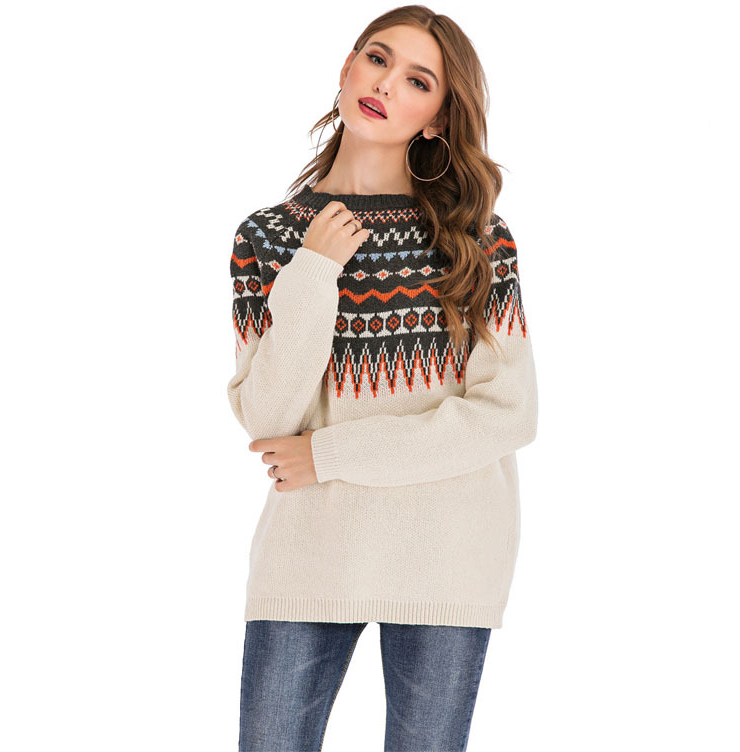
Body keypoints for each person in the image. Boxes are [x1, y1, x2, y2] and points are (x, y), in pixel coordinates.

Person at [227, 6, 538, 750]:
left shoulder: (477, 241)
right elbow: (268, 418)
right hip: (308, 556)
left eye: (418, 80)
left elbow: (507, 414)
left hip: (447, 556)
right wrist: (315, 268)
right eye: (376, 58)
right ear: (346, 68)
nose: (386, 83)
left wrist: (329, 455)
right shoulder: (267, 236)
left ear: (438, 118)